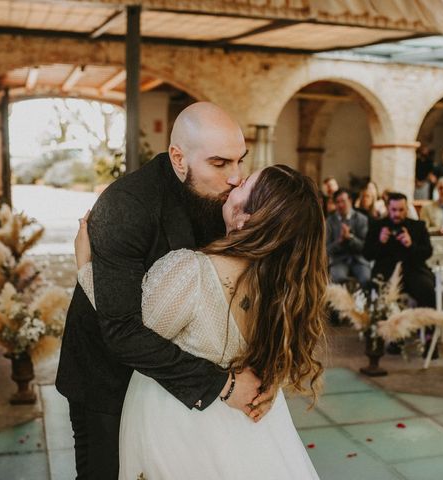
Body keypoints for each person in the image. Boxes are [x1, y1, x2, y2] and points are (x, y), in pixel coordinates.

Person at [56, 103, 269, 479]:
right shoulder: (125, 207)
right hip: (107, 378)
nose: (236, 178)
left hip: (178, 384)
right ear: (178, 157)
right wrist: (222, 384)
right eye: (220, 164)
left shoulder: (228, 200)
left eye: (240, 161)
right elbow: (121, 328)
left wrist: (269, 372)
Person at [76, 164, 325, 479]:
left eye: (244, 183)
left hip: (179, 425)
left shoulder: (191, 273)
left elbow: (134, 332)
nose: (234, 179)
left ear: (245, 218)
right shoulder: (285, 289)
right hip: (248, 426)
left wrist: (85, 269)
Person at [364, 192, 435, 309]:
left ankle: (425, 324)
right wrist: (380, 242)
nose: (397, 214)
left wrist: (411, 245)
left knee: (427, 288)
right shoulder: (377, 226)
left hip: (413, 269)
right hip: (385, 271)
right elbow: (367, 254)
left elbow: (428, 252)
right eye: (393, 209)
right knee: (376, 289)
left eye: (401, 210)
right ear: (388, 209)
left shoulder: (418, 226)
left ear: (407, 209)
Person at [326, 188, 371, 289]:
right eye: (337, 202)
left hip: (358, 260)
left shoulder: (362, 219)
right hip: (338, 260)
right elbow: (327, 249)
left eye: (343, 201)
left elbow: (365, 247)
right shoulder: (330, 221)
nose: (340, 205)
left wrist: (350, 238)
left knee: (366, 279)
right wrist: (340, 241)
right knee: (337, 279)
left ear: (350, 201)